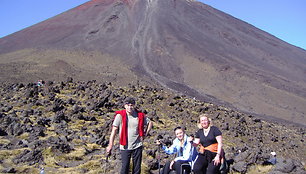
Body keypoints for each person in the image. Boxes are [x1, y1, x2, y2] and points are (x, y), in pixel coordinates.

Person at [106, 97, 153, 174]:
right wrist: (110, 145)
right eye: (128, 105)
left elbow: (150, 123)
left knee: (137, 169)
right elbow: (114, 130)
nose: (130, 107)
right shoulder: (120, 116)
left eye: (131, 105)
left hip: (137, 145)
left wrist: (145, 134)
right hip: (125, 146)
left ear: (134, 105)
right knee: (125, 168)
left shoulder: (139, 115)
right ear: (125, 106)